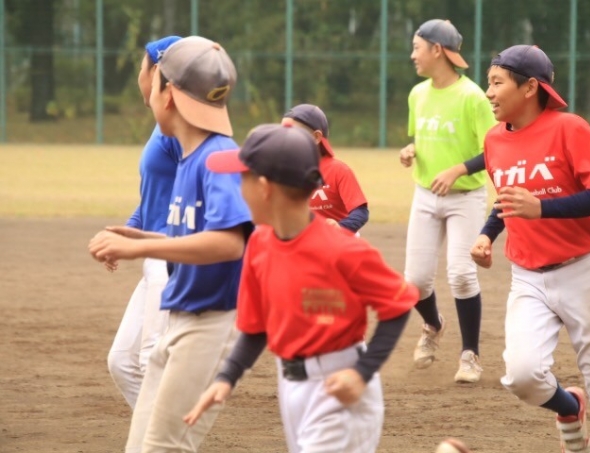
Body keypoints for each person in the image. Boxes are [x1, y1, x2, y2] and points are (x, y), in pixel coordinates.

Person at [182, 123, 419, 453]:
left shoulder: (342, 249)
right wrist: (227, 378)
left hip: (339, 386)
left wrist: (362, 373)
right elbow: (256, 327)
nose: (238, 188)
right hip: (291, 387)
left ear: (264, 188)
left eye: (242, 179)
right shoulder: (259, 244)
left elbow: (399, 303)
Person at [471, 44, 590, 453]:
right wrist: (487, 234)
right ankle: (570, 408)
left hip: (585, 271)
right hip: (528, 277)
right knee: (522, 375)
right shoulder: (495, 140)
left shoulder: (570, 129)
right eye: (488, 83)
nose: (488, 92)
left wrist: (543, 208)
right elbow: (509, 200)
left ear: (530, 87)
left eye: (496, 82)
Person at [88, 36, 252, 453]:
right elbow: (192, 233)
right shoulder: (191, 156)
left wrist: (142, 250)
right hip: (183, 317)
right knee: (141, 446)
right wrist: (142, 236)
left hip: (211, 323)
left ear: (170, 94)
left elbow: (231, 243)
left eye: (156, 81)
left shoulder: (218, 156)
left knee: (162, 447)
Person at [399, 19, 496, 381]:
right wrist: (411, 150)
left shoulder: (473, 97)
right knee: (415, 281)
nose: (413, 55)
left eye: (417, 47)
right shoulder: (417, 94)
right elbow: (423, 139)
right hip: (425, 194)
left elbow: (495, 150)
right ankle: (433, 325)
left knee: (461, 274)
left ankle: (470, 355)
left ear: (437, 50)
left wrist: (457, 170)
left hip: (465, 197)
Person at [103, 35, 182, 410]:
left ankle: (166, 437)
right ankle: (158, 433)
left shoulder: (177, 127)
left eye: (141, 66)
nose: (139, 74)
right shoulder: (161, 126)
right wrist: (125, 231)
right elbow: (157, 194)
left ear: (157, 72)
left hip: (170, 256)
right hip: (152, 254)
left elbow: (194, 188)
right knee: (122, 362)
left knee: (153, 358)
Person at [281, 103, 369, 233]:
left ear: (316, 137)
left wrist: (341, 227)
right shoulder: (285, 172)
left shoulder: (338, 171)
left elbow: (361, 212)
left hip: (337, 239)